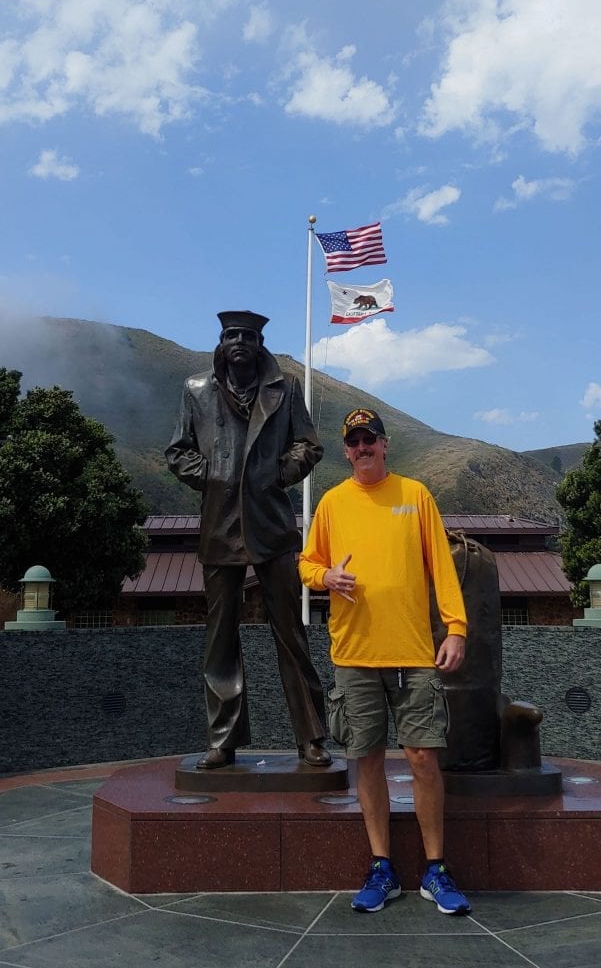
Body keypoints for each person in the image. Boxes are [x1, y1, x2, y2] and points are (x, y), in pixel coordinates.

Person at [298, 407, 470, 914]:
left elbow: (442, 564)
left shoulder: (415, 495)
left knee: (422, 757)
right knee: (366, 758)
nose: (362, 447)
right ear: (346, 450)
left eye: (370, 438)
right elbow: (306, 563)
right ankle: (382, 867)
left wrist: (456, 628)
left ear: (385, 444)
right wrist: (326, 577)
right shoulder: (331, 503)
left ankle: (435, 869)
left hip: (414, 651)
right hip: (354, 653)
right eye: (354, 441)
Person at [166, 310, 331, 769]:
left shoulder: (286, 389)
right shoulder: (196, 390)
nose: (238, 341)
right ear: (221, 341)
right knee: (220, 639)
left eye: (248, 335)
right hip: (219, 525)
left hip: (271, 525)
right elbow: (177, 451)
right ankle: (223, 739)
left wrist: (280, 473)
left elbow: (309, 444)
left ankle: (311, 736)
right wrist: (214, 477)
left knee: (291, 634)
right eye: (230, 334)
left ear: (260, 343)